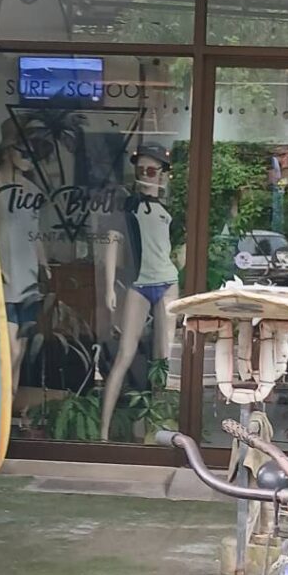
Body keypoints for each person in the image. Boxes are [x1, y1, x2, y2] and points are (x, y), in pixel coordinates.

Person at [99, 144, 179, 441]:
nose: (144, 175)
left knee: (164, 358)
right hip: (140, 283)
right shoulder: (129, 206)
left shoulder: (166, 209)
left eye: (151, 170)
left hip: (168, 282)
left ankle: (153, 427)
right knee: (125, 354)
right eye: (140, 170)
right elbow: (112, 242)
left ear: (162, 175)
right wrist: (109, 287)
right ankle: (103, 432)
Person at [0, 117, 50, 396]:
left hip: (28, 280)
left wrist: (45, 264)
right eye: (23, 151)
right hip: (2, 277)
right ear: (7, 151)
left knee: (20, 349)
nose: (28, 158)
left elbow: (34, 233)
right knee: (8, 349)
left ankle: (9, 412)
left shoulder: (32, 191)